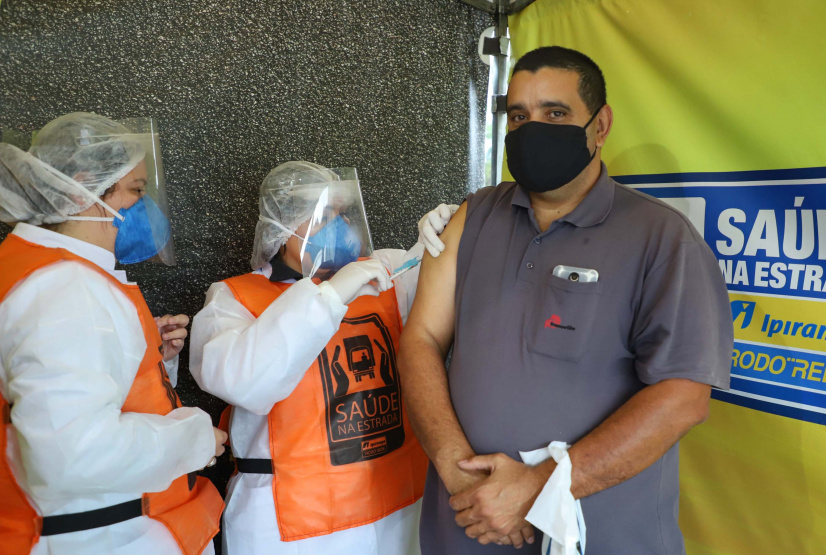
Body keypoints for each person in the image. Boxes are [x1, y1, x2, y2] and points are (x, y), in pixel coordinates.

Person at [399, 46, 734, 554]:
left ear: (600, 126)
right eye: (519, 116)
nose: (533, 129)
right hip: (466, 525)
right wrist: (458, 472)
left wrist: (538, 488)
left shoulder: (662, 239)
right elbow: (421, 338)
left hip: (599, 536)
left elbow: (684, 398)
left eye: (555, 113)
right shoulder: (474, 216)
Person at [189, 161, 456, 555]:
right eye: (323, 216)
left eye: (342, 213)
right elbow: (244, 383)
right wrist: (329, 297)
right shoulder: (235, 299)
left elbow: (444, 286)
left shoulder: (383, 273)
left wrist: (447, 233)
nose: (339, 226)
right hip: (293, 526)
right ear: (282, 228)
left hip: (396, 509)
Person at [0, 112, 225, 555]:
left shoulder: (41, 269)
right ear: (83, 188)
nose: (145, 205)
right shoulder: (65, 287)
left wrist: (146, 357)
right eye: (136, 190)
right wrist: (194, 439)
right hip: (101, 537)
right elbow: (73, 454)